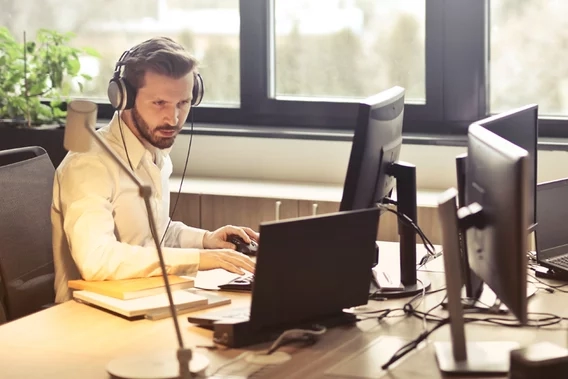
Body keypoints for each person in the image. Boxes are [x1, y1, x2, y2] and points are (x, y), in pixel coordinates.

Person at [51, 37, 257, 303]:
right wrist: (199, 259)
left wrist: (206, 240)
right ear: (123, 98)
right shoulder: (89, 164)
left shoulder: (155, 154)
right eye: (159, 103)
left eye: (183, 103)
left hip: (145, 298)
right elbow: (96, 260)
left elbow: (155, 235)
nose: (173, 119)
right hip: (89, 316)